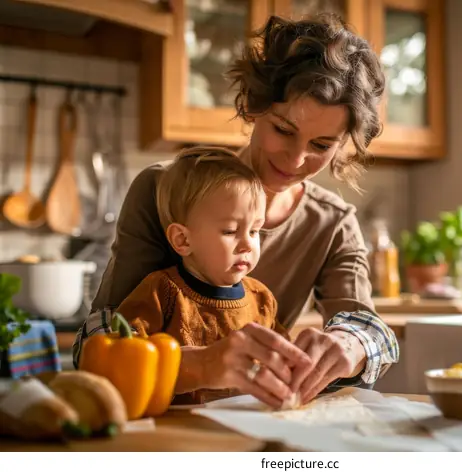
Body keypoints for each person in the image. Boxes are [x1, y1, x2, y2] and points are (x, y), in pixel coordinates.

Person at [74, 13, 399, 410]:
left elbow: (374, 333)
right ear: (253, 106)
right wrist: (201, 364)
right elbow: (93, 348)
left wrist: (348, 344)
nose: (296, 159)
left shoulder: (332, 222)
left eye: (321, 145)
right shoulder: (163, 189)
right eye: (283, 129)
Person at [87, 146, 296, 405]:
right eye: (231, 231)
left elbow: (282, 361)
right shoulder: (160, 291)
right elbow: (122, 359)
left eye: (254, 231)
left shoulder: (262, 298)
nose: (247, 245)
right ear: (183, 239)